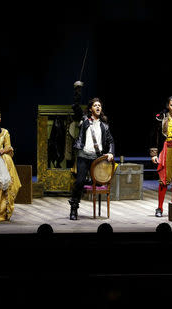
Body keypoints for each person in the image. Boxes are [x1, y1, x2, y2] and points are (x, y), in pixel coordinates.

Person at [68, 81, 115, 220]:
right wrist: (77, 91)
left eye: (99, 105)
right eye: (95, 105)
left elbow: (111, 141)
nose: (98, 107)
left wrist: (111, 152)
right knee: (80, 181)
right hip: (84, 155)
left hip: (96, 157)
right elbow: (75, 107)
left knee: (102, 181)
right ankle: (74, 209)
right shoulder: (84, 120)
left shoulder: (104, 125)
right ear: (90, 109)